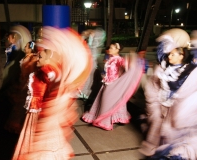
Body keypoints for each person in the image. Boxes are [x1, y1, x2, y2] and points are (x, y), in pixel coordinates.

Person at [12, 26, 92, 159]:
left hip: (42, 112)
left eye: (41, 57)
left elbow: (58, 80)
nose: (37, 58)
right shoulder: (41, 68)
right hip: (34, 111)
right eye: (38, 55)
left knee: (44, 145)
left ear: (49, 58)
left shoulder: (50, 72)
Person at [139, 28, 197, 159]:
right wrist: (154, 106)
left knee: (174, 142)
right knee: (162, 136)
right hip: (163, 110)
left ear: (182, 54)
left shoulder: (190, 72)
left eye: (173, 53)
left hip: (179, 116)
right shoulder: (162, 69)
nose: (169, 55)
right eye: (169, 53)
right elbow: (152, 88)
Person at [82, 42, 143, 130]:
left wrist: (133, 61)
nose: (109, 49)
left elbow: (127, 67)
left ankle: (105, 121)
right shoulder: (111, 58)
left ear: (117, 49)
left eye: (112, 48)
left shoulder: (119, 59)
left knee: (108, 102)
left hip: (113, 84)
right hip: (107, 83)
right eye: (109, 48)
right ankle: (112, 118)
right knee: (107, 101)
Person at [4, 41, 38, 134]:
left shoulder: (33, 58)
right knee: (18, 105)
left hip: (26, 84)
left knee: (22, 106)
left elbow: (31, 73)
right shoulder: (26, 56)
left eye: (27, 47)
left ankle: (20, 126)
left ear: (31, 48)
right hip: (21, 82)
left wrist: (24, 83)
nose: (24, 48)